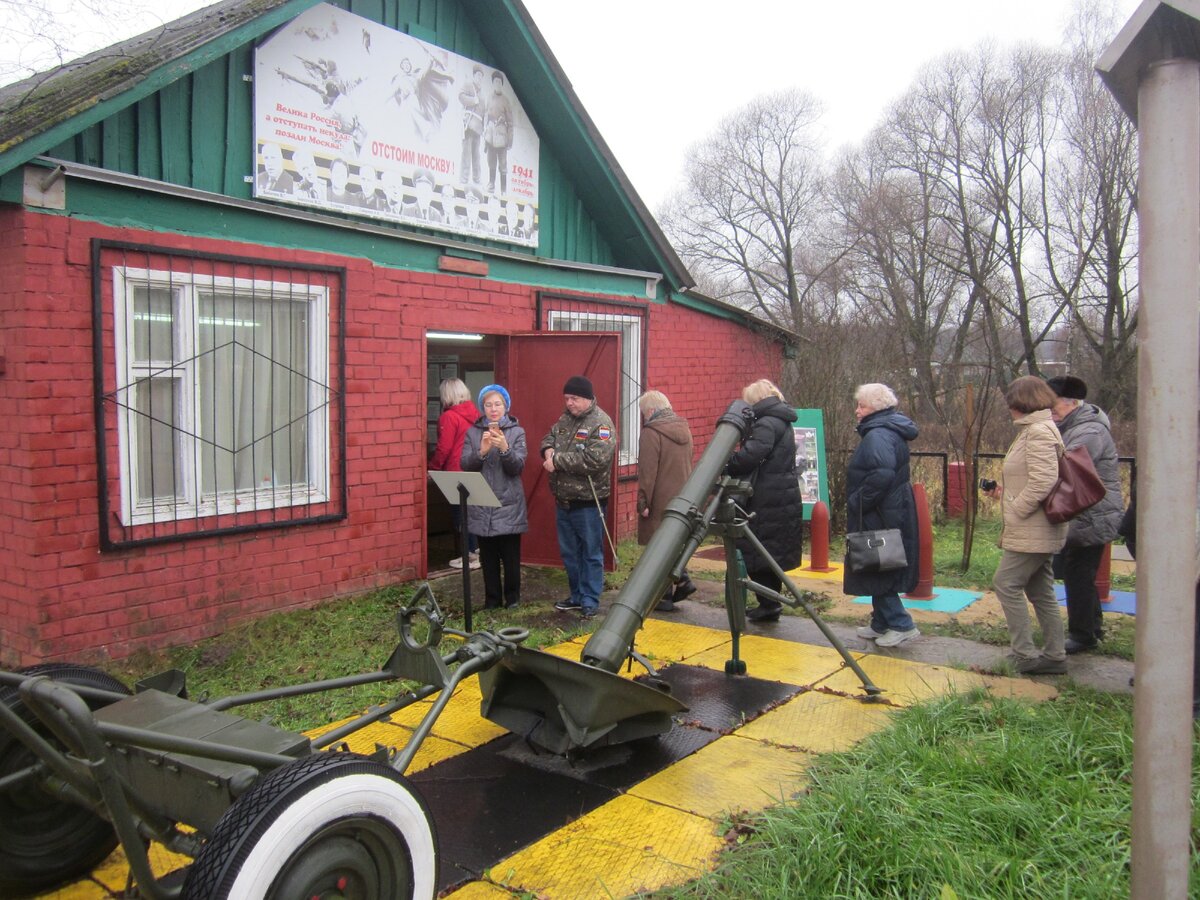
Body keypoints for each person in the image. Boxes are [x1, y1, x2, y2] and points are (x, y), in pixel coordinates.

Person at [985, 375, 1069, 675]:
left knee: (1006, 583)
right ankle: (1054, 655)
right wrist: (1005, 494)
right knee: (1040, 590)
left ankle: (1025, 654)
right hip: (1035, 526)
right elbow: (1031, 478)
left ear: (1021, 403)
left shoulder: (1038, 432)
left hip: (1033, 528)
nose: (1008, 408)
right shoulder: (1034, 430)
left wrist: (1016, 509)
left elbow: (1044, 481)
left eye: (1010, 402)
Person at [1046, 375, 1124, 653]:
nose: (1051, 413)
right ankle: (1092, 627)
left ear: (1073, 404)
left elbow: (1068, 470)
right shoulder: (1076, 426)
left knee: (1077, 572)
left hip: (1092, 515)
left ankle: (1083, 634)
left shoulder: (1089, 432)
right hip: (1087, 514)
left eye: (1054, 408)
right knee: (1079, 572)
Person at [846, 383, 922, 647]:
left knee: (879, 564)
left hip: (880, 509)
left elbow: (882, 473)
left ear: (876, 408)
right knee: (876, 563)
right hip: (890, 507)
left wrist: (859, 501)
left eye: (862, 406)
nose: (857, 411)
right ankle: (881, 622)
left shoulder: (877, 434)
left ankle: (902, 623)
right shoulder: (889, 429)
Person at [724, 379, 803, 622]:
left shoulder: (766, 424)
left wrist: (728, 463)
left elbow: (750, 456)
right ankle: (771, 603)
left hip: (765, 495)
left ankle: (768, 604)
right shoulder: (781, 420)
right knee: (771, 552)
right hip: (781, 492)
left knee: (757, 550)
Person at [540, 375, 616, 620]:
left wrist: (557, 461)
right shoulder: (565, 419)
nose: (569, 403)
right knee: (570, 553)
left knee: (591, 552)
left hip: (588, 502)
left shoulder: (601, 424)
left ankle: (590, 599)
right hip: (563, 500)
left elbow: (596, 460)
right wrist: (548, 449)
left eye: (574, 398)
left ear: (587, 398)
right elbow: (549, 437)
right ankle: (575, 595)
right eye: (567, 398)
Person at [461, 385, 527, 609]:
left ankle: (513, 599)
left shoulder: (516, 432)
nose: (493, 409)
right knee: (487, 558)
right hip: (482, 505)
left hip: (508, 505)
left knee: (510, 558)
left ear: (506, 406)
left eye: (498, 404)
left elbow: (517, 467)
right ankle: (492, 600)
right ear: (483, 408)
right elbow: (465, 465)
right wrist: (481, 451)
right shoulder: (473, 432)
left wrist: (505, 449)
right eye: (488, 405)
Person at [636, 390, 696, 612]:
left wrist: (643, 501)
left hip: (659, 499)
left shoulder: (651, 433)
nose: (644, 417)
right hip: (682, 495)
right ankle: (682, 581)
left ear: (651, 411)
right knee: (672, 543)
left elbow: (647, 472)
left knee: (658, 547)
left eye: (644, 413)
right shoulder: (685, 429)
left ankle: (664, 596)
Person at [428, 378, 479, 570]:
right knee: (471, 513)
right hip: (472, 468)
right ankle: (476, 551)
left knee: (460, 515)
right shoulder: (474, 414)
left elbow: (444, 448)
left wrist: (433, 468)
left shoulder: (449, 417)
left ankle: (469, 555)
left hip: (455, 471)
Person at [484, 70, 514, 196]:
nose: (497, 83)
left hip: (502, 137)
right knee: (491, 162)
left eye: (499, 82)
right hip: (490, 135)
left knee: (503, 165)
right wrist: (485, 133)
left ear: (501, 84)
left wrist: (510, 140)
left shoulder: (506, 101)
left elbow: (510, 122)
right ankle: (491, 185)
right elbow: (486, 115)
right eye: (495, 81)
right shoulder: (489, 97)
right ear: (493, 83)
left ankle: (503, 190)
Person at [458, 64, 485, 185]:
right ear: (474, 75)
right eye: (478, 75)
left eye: (481, 76)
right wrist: (472, 101)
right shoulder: (468, 85)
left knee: (476, 155)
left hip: (478, 128)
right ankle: (464, 180)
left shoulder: (482, 94)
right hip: (469, 125)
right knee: (466, 153)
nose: (479, 77)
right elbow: (461, 96)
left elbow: (484, 112)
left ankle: (476, 180)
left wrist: (483, 128)